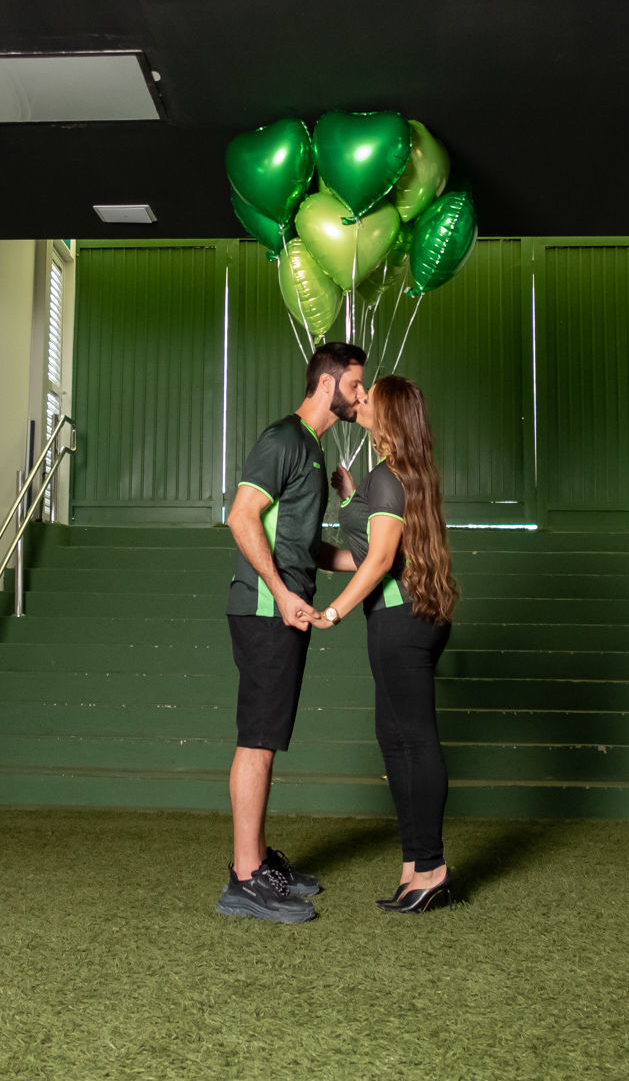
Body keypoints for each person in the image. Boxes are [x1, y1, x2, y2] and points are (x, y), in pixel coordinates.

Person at [215, 341, 364, 924]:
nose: (360, 395)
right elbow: (241, 516)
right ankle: (246, 879)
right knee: (256, 740)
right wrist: (281, 594)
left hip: (284, 607)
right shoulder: (283, 440)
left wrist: (358, 563)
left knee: (267, 739)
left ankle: (255, 860)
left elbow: (300, 544)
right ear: (327, 385)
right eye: (355, 385)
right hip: (264, 609)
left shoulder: (310, 450)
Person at [319, 375, 461, 912]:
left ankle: (433, 868)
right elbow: (370, 554)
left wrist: (333, 611)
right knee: (395, 738)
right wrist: (312, 546)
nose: (360, 399)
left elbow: (379, 563)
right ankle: (414, 864)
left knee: (414, 741)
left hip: (401, 622)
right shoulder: (397, 474)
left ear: (391, 413)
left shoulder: (388, 476)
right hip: (410, 617)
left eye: (369, 395)